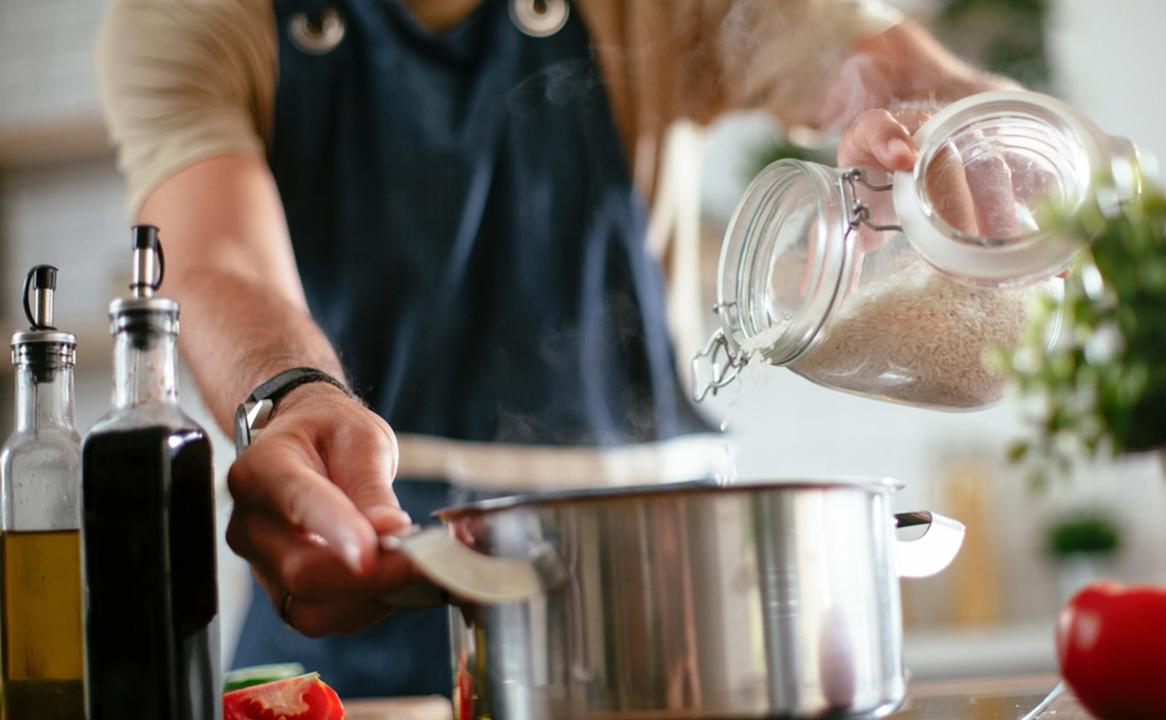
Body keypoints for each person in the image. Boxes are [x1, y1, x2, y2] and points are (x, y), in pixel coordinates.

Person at [96, 0, 1017, 698]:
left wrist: (951, 135)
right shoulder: (194, 15)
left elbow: (863, 55)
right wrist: (293, 398)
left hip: (668, 622)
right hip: (358, 582)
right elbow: (211, 254)